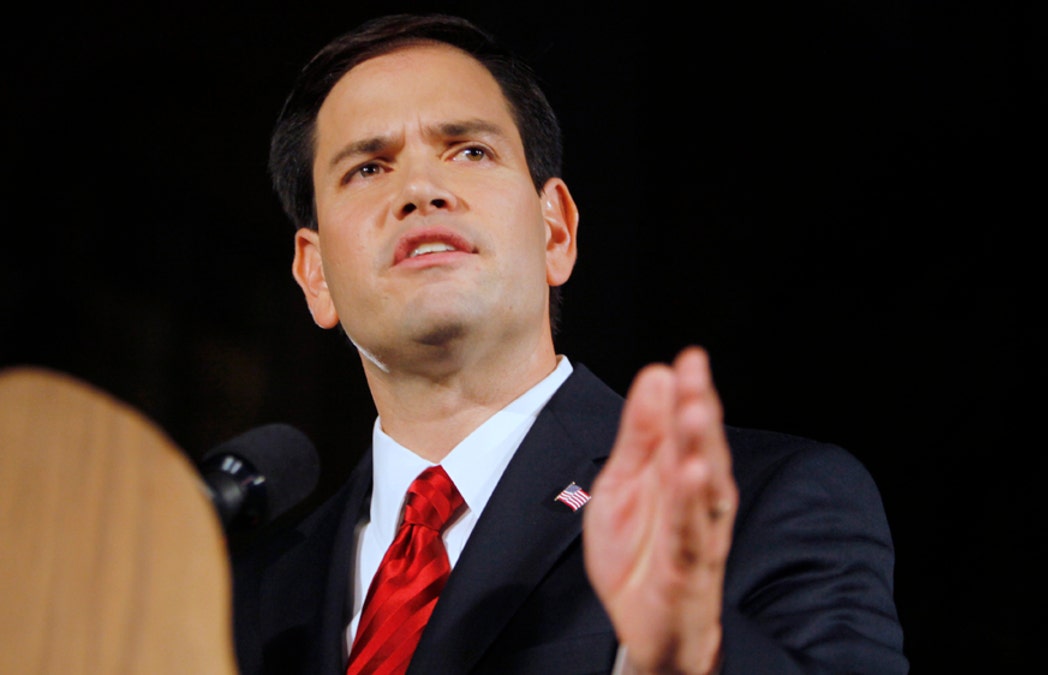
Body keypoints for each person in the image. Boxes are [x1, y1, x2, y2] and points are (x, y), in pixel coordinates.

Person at [230, 12, 908, 675]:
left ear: (555, 230)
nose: (420, 189)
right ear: (315, 274)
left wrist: (690, 656)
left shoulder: (761, 501)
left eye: (470, 150)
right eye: (369, 169)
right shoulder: (248, 594)